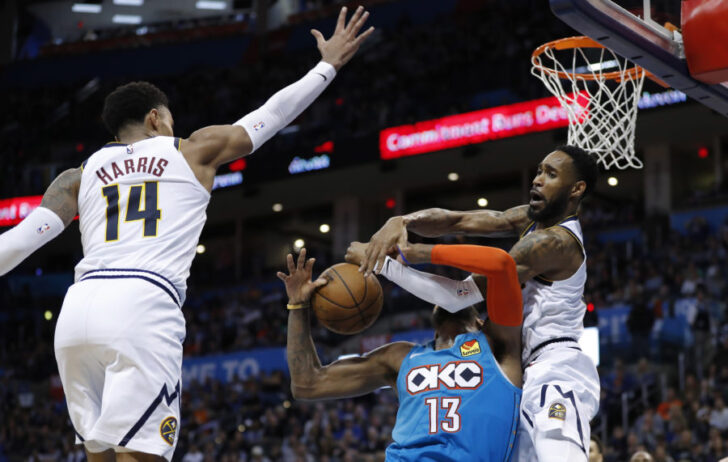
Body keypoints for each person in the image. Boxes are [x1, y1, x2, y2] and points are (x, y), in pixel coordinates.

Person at [0, 7, 374, 461]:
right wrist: (327, 65)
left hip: (77, 313)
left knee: (97, 454)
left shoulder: (76, 177)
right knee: (141, 454)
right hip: (141, 305)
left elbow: (19, 242)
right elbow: (268, 118)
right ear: (156, 118)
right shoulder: (192, 150)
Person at [358, 145, 601, 462]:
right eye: (540, 170)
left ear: (576, 189)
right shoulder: (528, 219)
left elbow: (460, 295)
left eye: (551, 174)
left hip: (554, 369)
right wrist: (402, 220)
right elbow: (456, 221)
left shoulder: (555, 243)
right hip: (518, 373)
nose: (538, 180)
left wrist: (392, 263)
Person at [279, 246, 523, 461]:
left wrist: (404, 256)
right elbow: (307, 384)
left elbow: (502, 265)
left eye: (455, 293)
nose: (445, 299)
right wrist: (298, 306)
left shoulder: (496, 343)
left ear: (482, 320)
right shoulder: (400, 357)